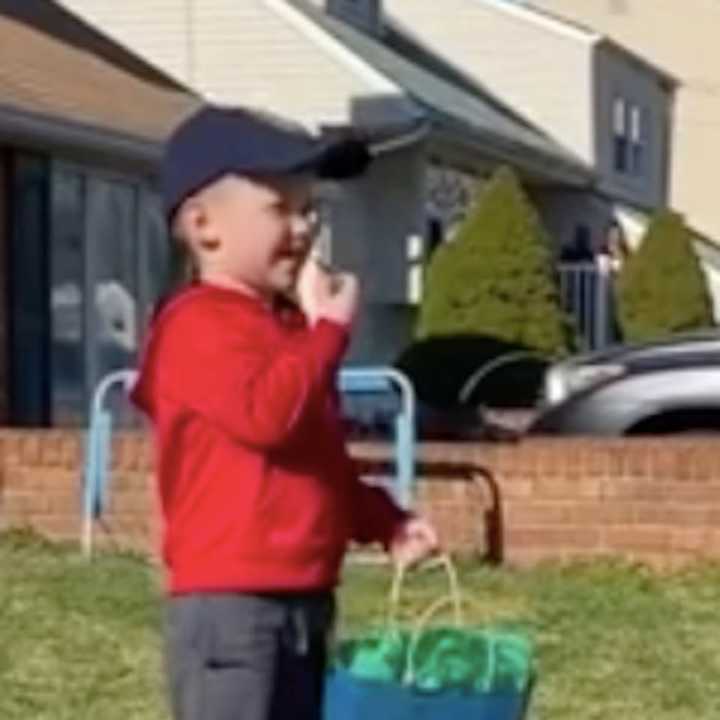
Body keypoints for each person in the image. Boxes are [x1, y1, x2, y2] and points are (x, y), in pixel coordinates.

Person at [131, 105, 439, 720]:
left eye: (310, 211)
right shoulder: (195, 327)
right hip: (230, 607)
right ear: (204, 226)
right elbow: (266, 417)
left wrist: (385, 521)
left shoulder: (288, 333)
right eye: (281, 209)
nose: (302, 228)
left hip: (306, 597)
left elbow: (317, 459)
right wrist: (327, 332)